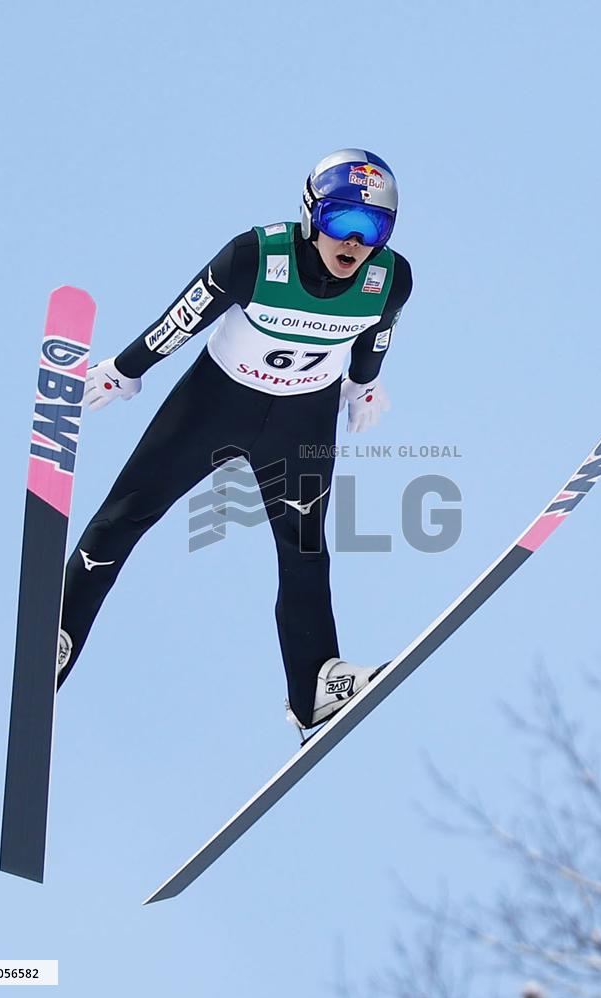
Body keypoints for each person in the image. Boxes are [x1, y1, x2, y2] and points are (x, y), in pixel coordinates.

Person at [57, 148, 413, 730]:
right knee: (125, 514)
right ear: (311, 214)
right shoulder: (255, 256)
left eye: (373, 227)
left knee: (304, 548)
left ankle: (314, 685)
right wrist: (125, 369)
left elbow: (377, 335)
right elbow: (184, 317)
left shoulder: (390, 278)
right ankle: (59, 635)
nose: (354, 241)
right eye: (341, 219)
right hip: (216, 404)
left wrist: (364, 384)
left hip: (302, 419)